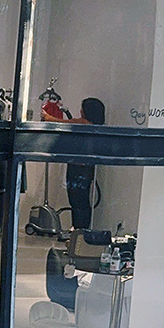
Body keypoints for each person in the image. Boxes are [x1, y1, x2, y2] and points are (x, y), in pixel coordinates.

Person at [42, 96, 106, 229]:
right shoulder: (96, 127)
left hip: (78, 169)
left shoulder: (83, 124)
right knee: (82, 202)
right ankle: (80, 231)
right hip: (87, 169)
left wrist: (47, 116)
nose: (80, 111)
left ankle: (79, 231)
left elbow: (64, 123)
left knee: (77, 202)